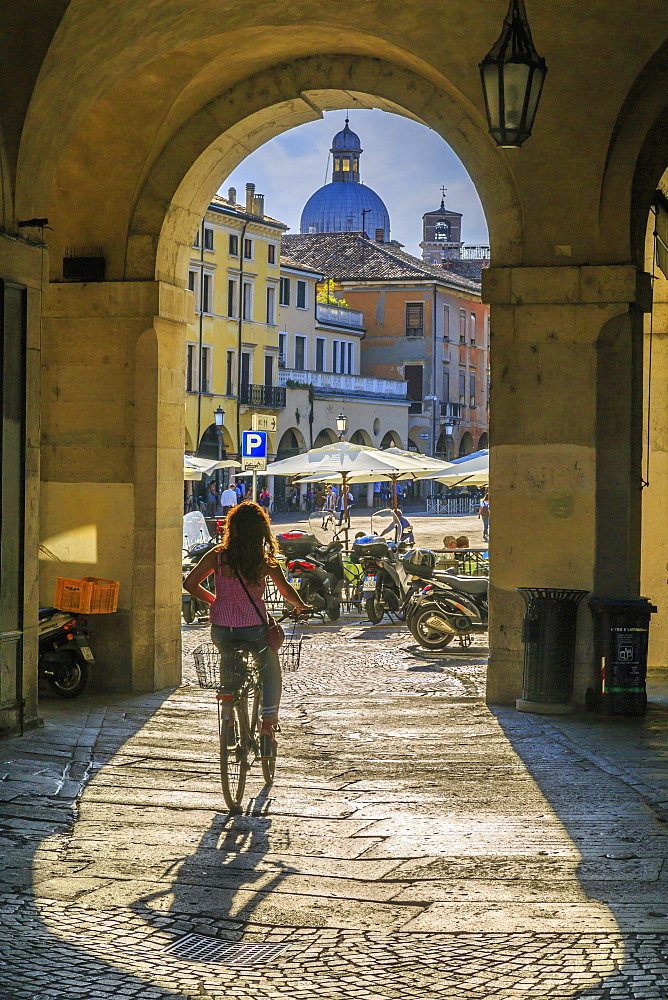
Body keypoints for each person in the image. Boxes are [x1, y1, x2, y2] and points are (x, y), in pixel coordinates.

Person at [183, 502, 311, 758]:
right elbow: (286, 591)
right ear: (261, 531)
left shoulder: (218, 555)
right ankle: (266, 725)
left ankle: (228, 714)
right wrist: (302, 606)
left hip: (221, 627)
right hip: (253, 627)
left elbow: (190, 583)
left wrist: (215, 601)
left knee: (227, 657)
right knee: (270, 668)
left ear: (232, 529)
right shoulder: (264, 561)